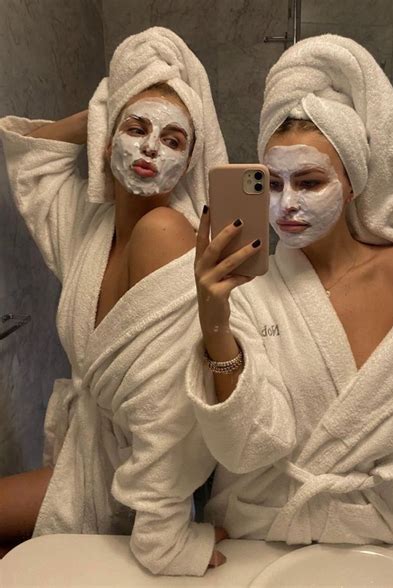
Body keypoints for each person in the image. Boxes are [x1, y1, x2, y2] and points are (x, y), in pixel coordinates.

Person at [188, 34, 393, 545]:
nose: (286, 205)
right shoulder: (250, 291)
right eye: (272, 184)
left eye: (310, 182)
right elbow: (244, 450)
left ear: (354, 181)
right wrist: (214, 317)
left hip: (372, 537)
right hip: (258, 532)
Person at [0, 27, 228, 575]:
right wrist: (103, 108)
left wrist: (164, 537)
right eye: (136, 127)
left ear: (188, 163)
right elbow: (34, 165)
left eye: (175, 140)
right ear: (107, 141)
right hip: (86, 459)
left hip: (137, 488)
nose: (151, 147)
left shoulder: (165, 234)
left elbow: (168, 416)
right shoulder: (92, 227)